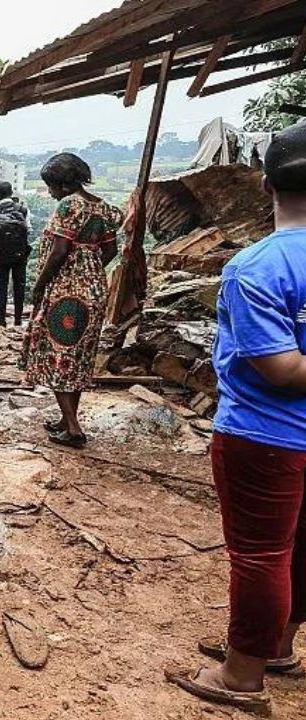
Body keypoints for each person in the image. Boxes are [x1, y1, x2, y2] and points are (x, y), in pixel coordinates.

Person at [166, 122, 306, 716]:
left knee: (260, 554)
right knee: (302, 543)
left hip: (266, 434)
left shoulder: (256, 267)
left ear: (266, 184)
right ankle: (276, 644)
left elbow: (281, 368)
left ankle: (242, 674)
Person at [20, 153, 122, 449]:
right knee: (77, 357)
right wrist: (89, 269)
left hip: (67, 292)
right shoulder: (101, 207)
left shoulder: (69, 205)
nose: (49, 192)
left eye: (51, 186)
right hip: (94, 290)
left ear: (62, 185)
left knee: (58, 355)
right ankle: (67, 419)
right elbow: (110, 250)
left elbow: (59, 250)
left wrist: (40, 286)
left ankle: (74, 429)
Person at [0, 182, 31, 327]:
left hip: (0, 255)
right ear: (11, 193)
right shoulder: (23, 209)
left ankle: (1, 319)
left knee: (2, 286)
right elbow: (28, 230)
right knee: (19, 285)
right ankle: (18, 320)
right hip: (20, 254)